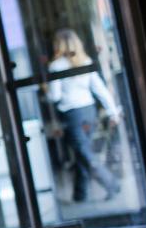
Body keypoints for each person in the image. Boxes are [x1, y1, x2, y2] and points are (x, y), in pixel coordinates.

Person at [46, 28, 122, 202]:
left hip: (73, 116)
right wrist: (112, 111)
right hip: (89, 112)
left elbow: (55, 96)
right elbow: (100, 89)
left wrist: (46, 92)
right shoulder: (85, 61)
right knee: (83, 153)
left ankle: (111, 183)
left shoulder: (56, 66)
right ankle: (80, 195)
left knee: (84, 153)